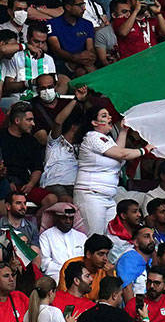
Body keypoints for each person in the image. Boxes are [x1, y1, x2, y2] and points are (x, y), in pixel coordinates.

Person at [73, 106, 154, 235]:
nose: (110, 118)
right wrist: (144, 150)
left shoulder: (107, 139)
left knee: (112, 237)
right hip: (91, 195)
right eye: (104, 116)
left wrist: (123, 131)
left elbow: (117, 151)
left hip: (108, 197)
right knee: (95, 237)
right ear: (94, 123)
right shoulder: (92, 137)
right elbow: (121, 154)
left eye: (109, 115)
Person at [47, 0, 96, 76]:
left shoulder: (87, 24)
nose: (84, 8)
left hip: (83, 62)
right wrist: (74, 58)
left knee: (83, 70)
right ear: (68, 7)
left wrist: (87, 57)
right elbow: (56, 50)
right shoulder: (52, 24)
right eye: (80, 5)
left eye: (84, 5)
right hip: (62, 63)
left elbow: (90, 48)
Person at [57, 235, 113, 301]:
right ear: (88, 254)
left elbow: (111, 301)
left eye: (107, 254)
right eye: (101, 254)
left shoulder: (108, 271)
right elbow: (63, 296)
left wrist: (111, 277)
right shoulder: (70, 266)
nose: (105, 259)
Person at [39, 206, 85, 282]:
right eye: (64, 218)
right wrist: (65, 270)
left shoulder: (82, 237)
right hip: (57, 275)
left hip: (81, 275)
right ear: (56, 218)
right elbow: (45, 263)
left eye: (71, 218)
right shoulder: (46, 236)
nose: (68, 221)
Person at [114, 225, 155, 303]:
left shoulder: (150, 260)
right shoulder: (129, 258)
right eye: (147, 237)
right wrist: (132, 312)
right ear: (136, 242)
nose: (152, 240)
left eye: (153, 237)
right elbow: (126, 289)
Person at [75, 277, 139, 322]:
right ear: (114, 295)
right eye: (121, 295)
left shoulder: (86, 315)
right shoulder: (121, 316)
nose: (121, 299)